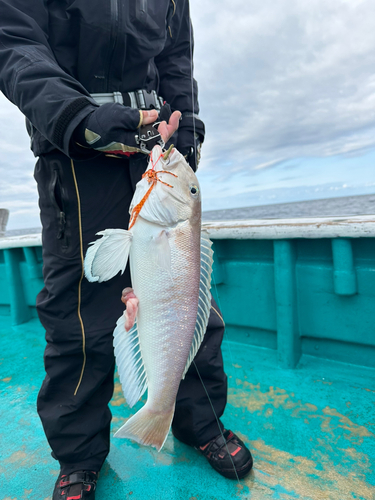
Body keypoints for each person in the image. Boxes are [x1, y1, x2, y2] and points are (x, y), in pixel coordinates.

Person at [0, 0, 253, 497]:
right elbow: (15, 43)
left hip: (155, 145)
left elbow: (176, 59)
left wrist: (188, 132)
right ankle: (78, 455)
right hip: (75, 153)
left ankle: (198, 421)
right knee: (78, 313)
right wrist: (79, 117)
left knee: (186, 300)